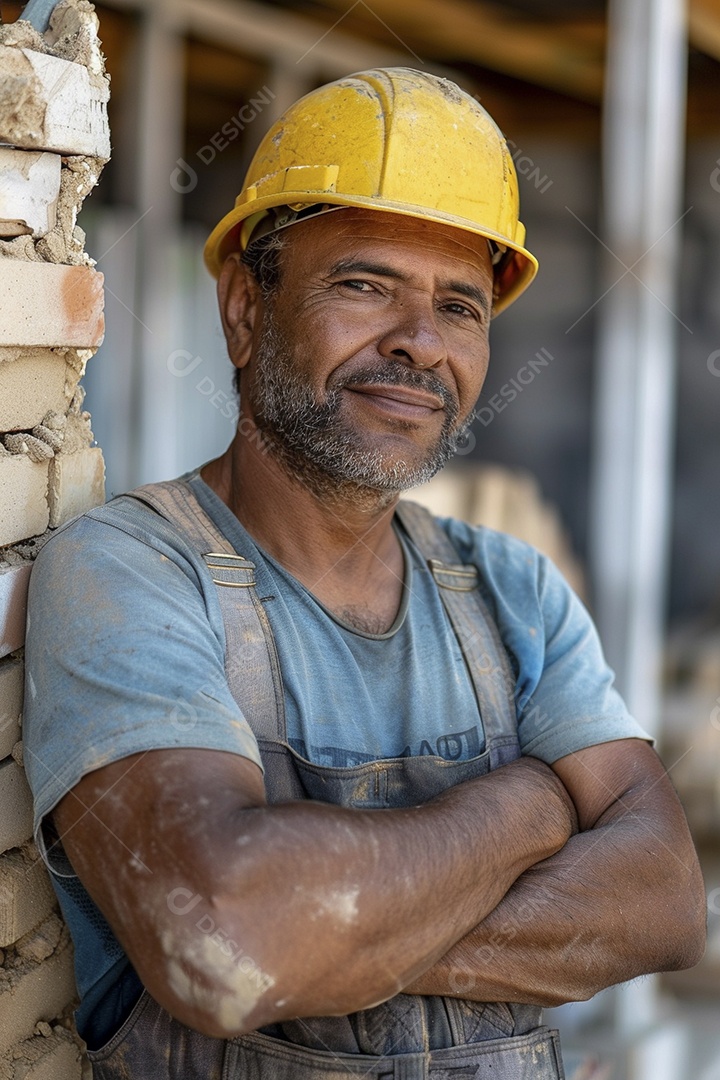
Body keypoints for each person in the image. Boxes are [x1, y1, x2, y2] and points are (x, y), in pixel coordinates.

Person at [24, 68, 705, 1080]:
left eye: (460, 306)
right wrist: (531, 804)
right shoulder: (130, 571)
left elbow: (666, 903)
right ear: (246, 308)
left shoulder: (511, 590)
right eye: (364, 284)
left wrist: (333, 940)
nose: (418, 343)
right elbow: (229, 943)